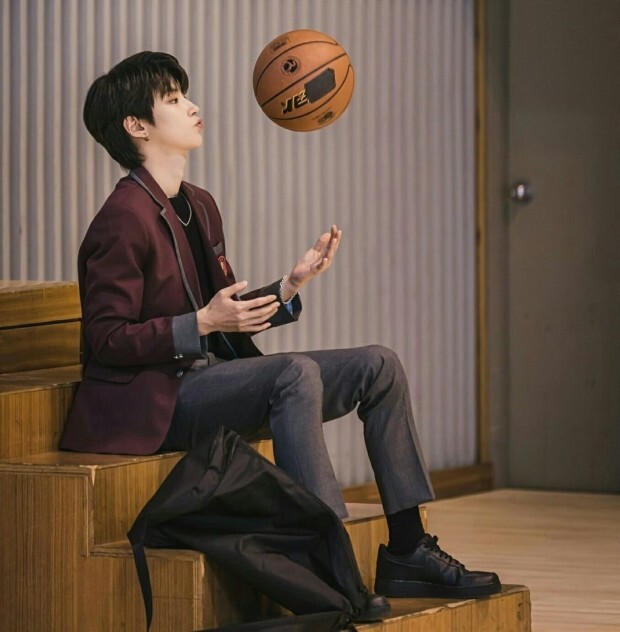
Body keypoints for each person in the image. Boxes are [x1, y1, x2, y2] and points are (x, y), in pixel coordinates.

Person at [61, 50, 501, 601]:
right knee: (293, 373)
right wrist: (199, 322)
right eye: (173, 99)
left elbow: (226, 315)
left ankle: (409, 550)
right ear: (136, 126)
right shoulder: (121, 218)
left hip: (207, 379)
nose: (192, 106)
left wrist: (287, 287)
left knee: (379, 364)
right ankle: (330, 562)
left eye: (185, 95)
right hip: (155, 402)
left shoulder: (199, 204)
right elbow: (106, 339)